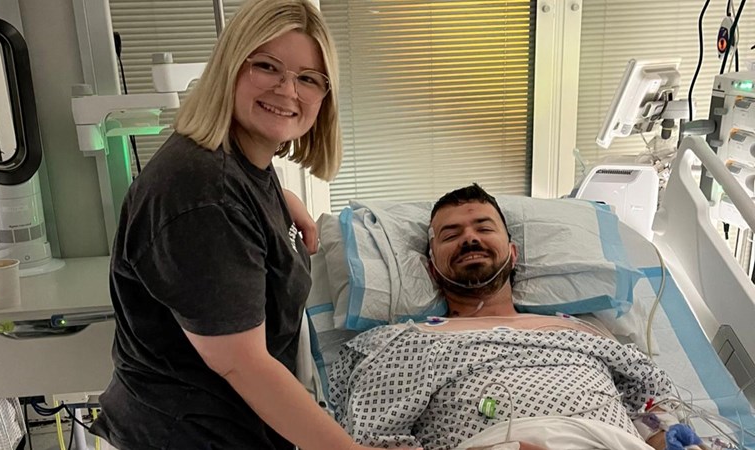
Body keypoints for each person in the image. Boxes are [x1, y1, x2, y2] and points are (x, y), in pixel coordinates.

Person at [90, 1, 420, 449]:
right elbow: (242, 365)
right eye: (267, 66)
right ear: (230, 66)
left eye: (308, 79)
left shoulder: (239, 164)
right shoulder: (205, 193)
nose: (287, 90)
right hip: (190, 435)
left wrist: (283, 201)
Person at [328, 184, 702, 450]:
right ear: (430, 267)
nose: (469, 238)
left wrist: (670, 439)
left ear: (513, 253)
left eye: (483, 228)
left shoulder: (584, 330)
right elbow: (372, 439)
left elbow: (650, 406)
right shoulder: (403, 342)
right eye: (451, 235)